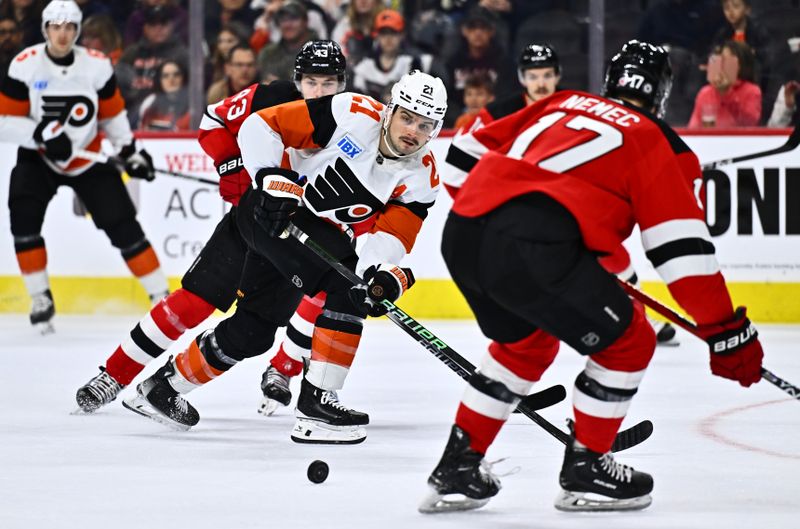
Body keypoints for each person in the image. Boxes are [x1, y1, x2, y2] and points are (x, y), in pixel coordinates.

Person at [420, 40, 763, 514]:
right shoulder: (656, 141)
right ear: (662, 92)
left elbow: (462, 158)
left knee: (526, 345)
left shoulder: (560, 102)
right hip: (535, 247)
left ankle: (458, 465)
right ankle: (588, 467)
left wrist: (508, 218)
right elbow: (680, 251)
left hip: (465, 233)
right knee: (630, 341)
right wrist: (727, 330)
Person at [121, 70, 448, 446]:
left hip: (307, 239)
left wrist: (378, 274)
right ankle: (316, 406)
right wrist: (271, 180)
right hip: (271, 213)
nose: (413, 131)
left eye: (425, 125)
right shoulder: (350, 112)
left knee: (254, 331)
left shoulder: (424, 176)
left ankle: (162, 387)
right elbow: (261, 126)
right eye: (407, 117)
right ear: (390, 110)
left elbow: (390, 236)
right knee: (346, 286)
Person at [74, 40, 349, 416]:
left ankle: (163, 388)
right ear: (297, 80)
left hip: (297, 239)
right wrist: (230, 164)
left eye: (329, 83)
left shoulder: (354, 121)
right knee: (193, 302)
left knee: (254, 333)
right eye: (312, 82)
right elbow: (213, 121)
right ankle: (115, 375)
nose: (319, 92)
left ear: (342, 85)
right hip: (254, 218)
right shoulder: (269, 97)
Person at [448, 42, 679, 345]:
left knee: (609, 257)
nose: (540, 83)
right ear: (521, 78)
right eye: (532, 76)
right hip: (520, 220)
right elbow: (457, 164)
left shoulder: (572, 105)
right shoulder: (501, 112)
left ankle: (639, 315)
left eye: (546, 75)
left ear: (557, 75)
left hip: (563, 208)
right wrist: (490, 207)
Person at [0, 0, 163, 333]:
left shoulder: (96, 66)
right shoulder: (24, 65)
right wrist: (40, 134)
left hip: (87, 155)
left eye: (69, 27)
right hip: (39, 156)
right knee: (23, 217)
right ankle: (40, 297)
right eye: (56, 27)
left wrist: (130, 150)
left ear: (77, 31)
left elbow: (112, 114)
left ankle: (161, 297)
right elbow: (4, 121)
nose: (62, 34)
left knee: (123, 225)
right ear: (45, 28)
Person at [351, 9, 441, 104]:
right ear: (377, 36)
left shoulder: (414, 62)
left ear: (402, 35)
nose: (388, 38)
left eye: (393, 33)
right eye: (384, 33)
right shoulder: (364, 64)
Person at [688, 40, 761, 128]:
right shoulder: (705, 92)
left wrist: (727, 93)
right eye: (722, 59)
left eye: (729, 61)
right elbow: (693, 127)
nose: (723, 65)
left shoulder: (752, 91)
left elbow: (750, 123)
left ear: (741, 65)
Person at [257, 1, 317, 84]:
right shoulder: (268, 53)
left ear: (305, 22)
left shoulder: (321, 51)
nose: (288, 25)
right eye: (283, 20)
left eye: (294, 18)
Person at [138, 60, 190, 131]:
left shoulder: (194, 104)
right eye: (165, 76)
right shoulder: (150, 102)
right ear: (159, 80)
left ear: (183, 78)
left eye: (176, 74)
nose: (171, 79)